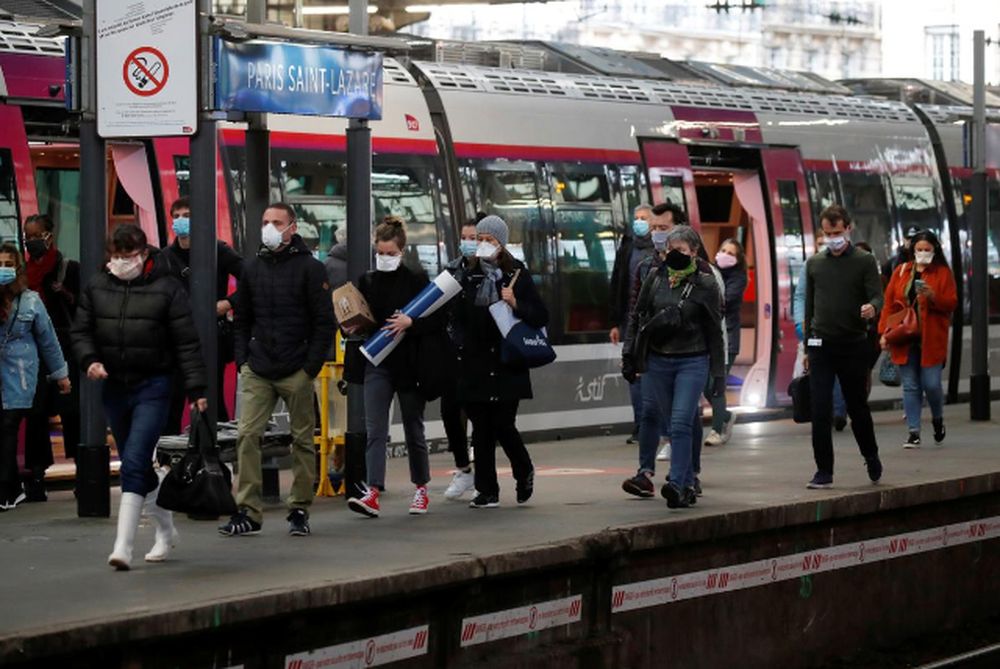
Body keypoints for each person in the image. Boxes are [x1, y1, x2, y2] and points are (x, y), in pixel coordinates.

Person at [71, 224, 207, 569]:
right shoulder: (97, 286)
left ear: (144, 253)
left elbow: (186, 342)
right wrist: (90, 360)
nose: (120, 262)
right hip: (114, 386)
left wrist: (196, 390)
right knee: (139, 468)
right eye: (115, 256)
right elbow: (82, 331)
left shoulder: (168, 289)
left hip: (154, 385)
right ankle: (165, 528)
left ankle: (123, 547)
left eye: (127, 256)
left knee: (132, 461)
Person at [220, 203, 335, 537]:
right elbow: (242, 319)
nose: (270, 227)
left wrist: (309, 367)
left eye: (277, 222)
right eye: (265, 221)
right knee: (247, 435)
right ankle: (248, 510)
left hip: (296, 368)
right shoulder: (252, 268)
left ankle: (299, 508)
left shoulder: (311, 270)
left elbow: (324, 323)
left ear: (292, 228)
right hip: (258, 366)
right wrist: (243, 360)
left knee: (301, 440)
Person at [621, 226, 725, 508]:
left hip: (692, 360)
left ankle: (677, 483)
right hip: (658, 361)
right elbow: (638, 317)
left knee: (680, 422)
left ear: (694, 252)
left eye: (680, 251)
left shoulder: (706, 284)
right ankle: (688, 481)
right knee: (669, 422)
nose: (673, 255)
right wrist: (629, 354)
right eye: (669, 250)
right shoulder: (654, 278)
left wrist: (718, 373)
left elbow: (715, 331)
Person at [450, 215, 548, 508]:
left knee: (504, 424)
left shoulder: (517, 274)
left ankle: (524, 470)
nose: (481, 245)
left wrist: (516, 303)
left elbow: (541, 315)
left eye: (488, 240)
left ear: (501, 244)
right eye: (479, 239)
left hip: (507, 361)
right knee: (480, 427)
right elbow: (456, 318)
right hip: (475, 361)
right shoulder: (466, 275)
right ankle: (487, 490)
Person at [346, 216, 440, 518]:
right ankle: (373, 491)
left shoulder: (416, 279)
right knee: (375, 429)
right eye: (381, 253)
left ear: (402, 250)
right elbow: (362, 319)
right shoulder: (367, 280)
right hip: (377, 362)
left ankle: (421, 488)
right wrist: (351, 327)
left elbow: (438, 319)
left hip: (410, 364)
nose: (384, 258)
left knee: (414, 427)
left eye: (390, 253)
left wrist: (411, 322)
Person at [803, 204, 883, 490]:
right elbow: (809, 308)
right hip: (821, 346)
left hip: (853, 345)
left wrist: (872, 308)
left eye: (836, 232)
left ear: (848, 229)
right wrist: (806, 348)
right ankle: (824, 470)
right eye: (827, 233)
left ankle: (871, 455)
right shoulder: (814, 264)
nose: (832, 238)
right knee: (820, 409)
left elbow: (877, 296)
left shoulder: (864, 261)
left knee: (857, 406)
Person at [0, 243, 70, 511]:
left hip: (20, 375)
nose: (3, 270)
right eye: (0, 264)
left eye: (8, 264)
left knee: (8, 426)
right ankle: (13, 487)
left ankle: (5, 490)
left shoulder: (31, 300)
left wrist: (60, 375)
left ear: (18, 268)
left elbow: (48, 340)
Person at [162, 198, 243, 429]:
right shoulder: (165, 257)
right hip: (175, 337)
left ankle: (214, 450)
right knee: (172, 400)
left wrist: (227, 303)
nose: (180, 221)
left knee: (210, 398)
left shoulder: (217, 250)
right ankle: (170, 456)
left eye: (186, 215)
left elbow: (249, 279)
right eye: (176, 216)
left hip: (209, 337)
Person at [877, 230, 957, 447]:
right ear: (912, 250)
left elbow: (951, 303)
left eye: (927, 250)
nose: (922, 253)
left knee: (931, 385)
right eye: (919, 249)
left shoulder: (942, 273)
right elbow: (889, 304)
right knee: (911, 386)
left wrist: (933, 296)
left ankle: (937, 418)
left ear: (935, 250)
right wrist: (884, 332)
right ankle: (914, 431)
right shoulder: (902, 271)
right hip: (904, 337)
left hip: (932, 339)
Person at [22, 213, 80, 501]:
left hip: (64, 348)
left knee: (71, 411)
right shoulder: (22, 273)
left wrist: (65, 294)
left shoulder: (68, 268)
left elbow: (82, 307)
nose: (32, 241)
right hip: (32, 352)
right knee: (35, 414)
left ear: (49, 235)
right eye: (27, 236)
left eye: (36, 235)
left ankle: (83, 470)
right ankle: (36, 475)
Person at [440, 217, 483, 500]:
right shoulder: (451, 270)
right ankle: (462, 469)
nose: (467, 242)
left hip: (481, 354)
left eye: (473, 237)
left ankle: (483, 473)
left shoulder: (492, 272)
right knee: (450, 411)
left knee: (481, 416)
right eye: (464, 236)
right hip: (454, 352)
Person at [608, 204, 654, 444]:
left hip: (654, 323)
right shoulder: (627, 247)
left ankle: (655, 425)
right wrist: (615, 322)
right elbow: (617, 282)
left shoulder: (660, 246)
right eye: (636, 218)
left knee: (652, 375)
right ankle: (640, 426)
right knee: (633, 374)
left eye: (644, 218)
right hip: (630, 322)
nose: (639, 222)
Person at [793, 234, 848, 430]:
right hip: (816, 331)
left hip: (840, 330)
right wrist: (801, 323)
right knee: (819, 369)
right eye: (821, 243)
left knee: (838, 372)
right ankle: (823, 413)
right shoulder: (811, 265)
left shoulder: (847, 265)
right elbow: (800, 296)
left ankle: (839, 411)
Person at [704, 238, 747, 446]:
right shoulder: (709, 272)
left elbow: (725, 302)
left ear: (738, 260)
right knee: (705, 384)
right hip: (709, 338)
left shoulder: (738, 279)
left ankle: (717, 429)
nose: (725, 255)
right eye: (723, 250)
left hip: (727, 339)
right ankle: (726, 416)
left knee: (716, 384)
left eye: (731, 253)